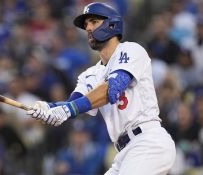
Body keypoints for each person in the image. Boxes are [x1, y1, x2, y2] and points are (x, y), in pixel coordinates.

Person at [26, 2, 176, 174]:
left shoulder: (132, 50)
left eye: (93, 21)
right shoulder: (90, 74)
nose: (88, 28)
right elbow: (74, 104)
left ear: (112, 24)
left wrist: (65, 110)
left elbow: (113, 89)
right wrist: (48, 108)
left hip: (148, 142)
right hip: (124, 152)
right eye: (86, 24)